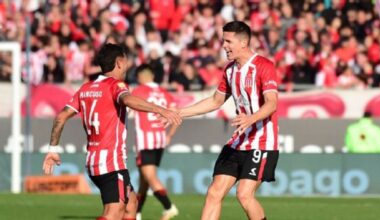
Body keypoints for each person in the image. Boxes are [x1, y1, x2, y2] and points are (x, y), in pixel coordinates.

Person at [42, 43, 181, 220]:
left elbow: (61, 117)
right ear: (119, 63)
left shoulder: (85, 88)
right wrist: (160, 109)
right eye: (126, 61)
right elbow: (128, 100)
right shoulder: (115, 85)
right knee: (112, 213)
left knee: (131, 204)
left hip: (94, 161)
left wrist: (53, 149)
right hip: (111, 163)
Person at [178, 21, 279, 220]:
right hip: (239, 140)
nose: (224, 46)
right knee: (214, 192)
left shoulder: (263, 66)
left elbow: (272, 103)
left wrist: (251, 118)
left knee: (244, 194)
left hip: (262, 141)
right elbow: (216, 101)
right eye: (223, 41)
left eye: (228, 41)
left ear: (243, 43)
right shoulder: (230, 70)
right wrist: (179, 113)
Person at [131, 64, 179, 220]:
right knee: (143, 182)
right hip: (159, 140)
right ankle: (136, 214)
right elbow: (177, 116)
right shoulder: (165, 93)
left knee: (150, 177)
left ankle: (169, 207)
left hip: (145, 140)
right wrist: (169, 135)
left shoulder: (138, 91)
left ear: (141, 77)